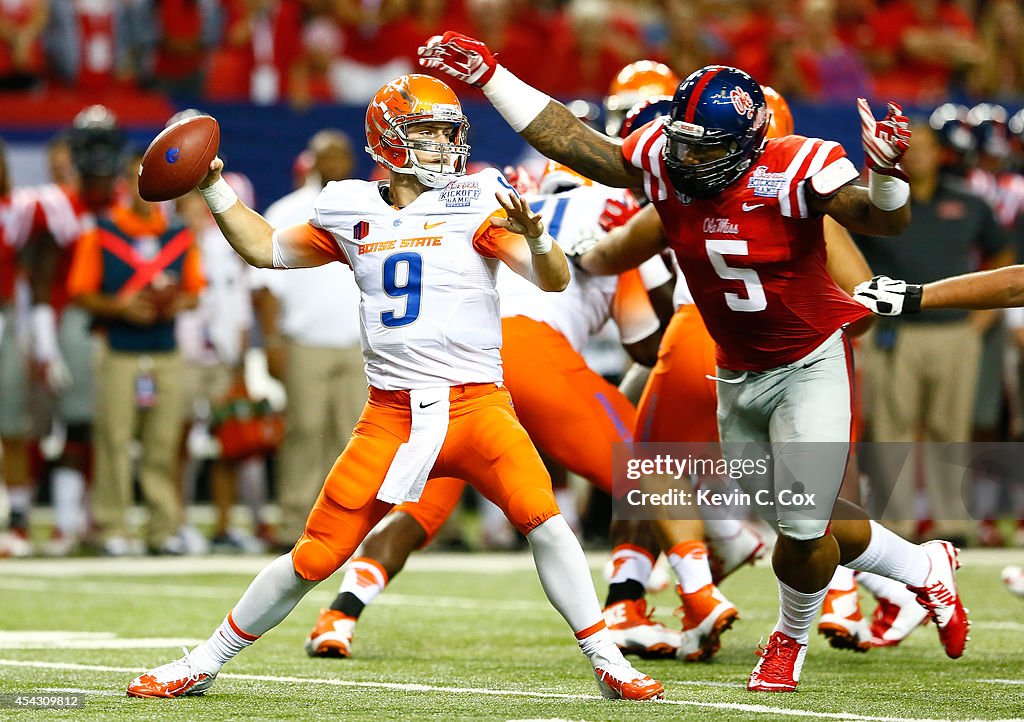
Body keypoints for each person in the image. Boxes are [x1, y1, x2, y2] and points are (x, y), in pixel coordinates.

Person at [417, 34, 967, 691]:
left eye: (706, 148)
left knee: (798, 520)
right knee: (787, 512)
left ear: (749, 144)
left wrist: (883, 177)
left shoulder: (799, 166)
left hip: (806, 358)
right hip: (736, 367)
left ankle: (788, 642)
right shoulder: (664, 157)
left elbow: (885, 223)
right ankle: (921, 566)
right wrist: (494, 75)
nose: (688, 158)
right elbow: (573, 141)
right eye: (682, 140)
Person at [125, 74, 664, 702]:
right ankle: (202, 661)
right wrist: (215, 188)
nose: (444, 147)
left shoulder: (479, 198)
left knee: (545, 520)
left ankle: (607, 661)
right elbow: (266, 248)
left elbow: (548, 279)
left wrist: (541, 237)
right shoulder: (350, 206)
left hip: (476, 405)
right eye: (428, 134)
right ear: (388, 140)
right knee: (314, 557)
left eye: (448, 134)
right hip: (393, 416)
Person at [305, 163, 700, 662]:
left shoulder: (504, 205)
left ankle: (340, 613)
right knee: (650, 470)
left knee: (420, 507)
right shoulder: (608, 213)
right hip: (534, 359)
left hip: (467, 371)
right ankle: (655, 602)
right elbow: (643, 341)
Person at [68, 150, 205, 555]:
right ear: (123, 185)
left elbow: (195, 294)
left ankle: (163, 528)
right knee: (114, 441)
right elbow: (81, 293)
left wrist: (172, 303)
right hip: (119, 351)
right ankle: (112, 525)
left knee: (163, 444)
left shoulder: (179, 234)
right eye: (136, 180)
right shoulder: (101, 232)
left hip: (165, 350)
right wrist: (122, 307)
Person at [249, 130, 366, 551]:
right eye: (327, 157)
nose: (335, 164)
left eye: (341, 156)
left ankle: (348, 524)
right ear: (313, 161)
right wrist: (273, 342)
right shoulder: (290, 209)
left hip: (360, 344)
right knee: (304, 432)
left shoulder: (369, 204)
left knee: (354, 437)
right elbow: (263, 287)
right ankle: (293, 521)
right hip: (305, 342)